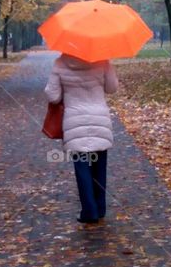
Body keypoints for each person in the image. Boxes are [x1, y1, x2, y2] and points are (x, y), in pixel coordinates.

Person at [44, 53, 119, 225]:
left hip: (74, 120)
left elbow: (53, 96)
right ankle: (100, 208)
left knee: (82, 166)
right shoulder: (102, 59)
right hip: (99, 119)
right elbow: (112, 88)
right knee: (100, 165)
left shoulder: (60, 63)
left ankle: (89, 210)